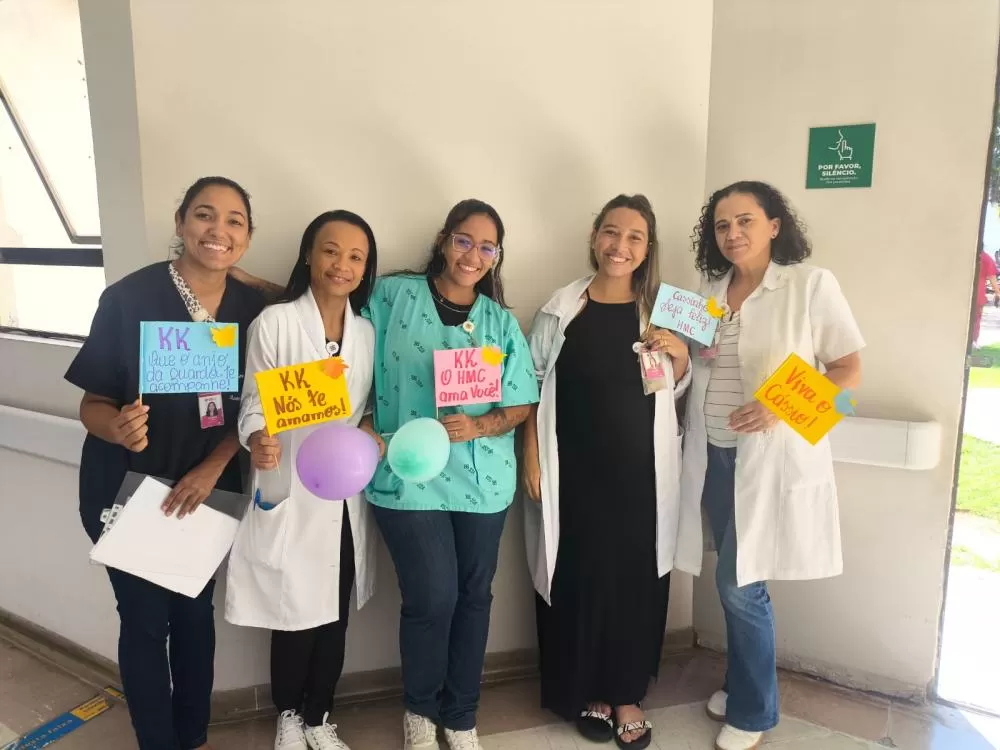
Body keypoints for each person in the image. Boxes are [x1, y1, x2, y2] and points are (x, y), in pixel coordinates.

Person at [65, 176, 265, 750]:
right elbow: (92, 403)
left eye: (234, 221)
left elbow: (253, 409)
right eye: (204, 215)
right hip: (126, 487)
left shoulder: (254, 310)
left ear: (248, 238)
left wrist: (213, 467)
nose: (218, 230)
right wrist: (117, 427)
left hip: (207, 489)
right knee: (145, 622)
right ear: (180, 223)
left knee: (195, 617)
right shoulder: (129, 299)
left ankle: (192, 736)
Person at [676, 181, 863, 750]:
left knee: (738, 584)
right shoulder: (709, 293)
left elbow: (849, 372)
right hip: (713, 455)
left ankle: (755, 712)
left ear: (774, 226)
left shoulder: (808, 285)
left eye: (745, 221)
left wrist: (777, 406)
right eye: (722, 225)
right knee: (739, 577)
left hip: (768, 461)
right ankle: (739, 685)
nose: (732, 233)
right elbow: (695, 365)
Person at [360, 199, 540, 750]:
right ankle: (420, 710)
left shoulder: (499, 322)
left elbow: (522, 403)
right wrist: (364, 421)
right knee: (432, 597)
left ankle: (461, 715)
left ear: (496, 257)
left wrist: (481, 425)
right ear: (444, 240)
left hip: (482, 481)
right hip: (406, 474)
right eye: (464, 240)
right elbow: (343, 349)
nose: (472, 255)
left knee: (473, 597)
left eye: (487, 247)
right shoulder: (391, 297)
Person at [522, 195, 690, 749]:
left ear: (648, 248)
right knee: (579, 576)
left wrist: (681, 356)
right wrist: (531, 456)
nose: (621, 246)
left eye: (635, 237)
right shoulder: (560, 308)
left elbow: (678, 391)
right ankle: (588, 687)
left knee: (635, 581)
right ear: (595, 236)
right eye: (612, 232)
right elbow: (530, 384)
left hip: (642, 478)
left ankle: (626, 693)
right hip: (573, 474)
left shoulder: (665, 309)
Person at [226, 211, 382, 750]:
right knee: (293, 610)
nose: (342, 265)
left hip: (342, 495)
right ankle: (289, 716)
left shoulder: (366, 333)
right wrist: (257, 435)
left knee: (334, 614)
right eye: (331, 251)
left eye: (356, 256)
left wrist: (368, 430)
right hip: (290, 485)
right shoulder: (275, 323)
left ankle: (319, 716)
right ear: (309, 255)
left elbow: (368, 406)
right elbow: (253, 402)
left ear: (366, 268)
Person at [974, 249, 999, 346]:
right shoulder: (986, 258)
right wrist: (998, 293)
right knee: (976, 319)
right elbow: (992, 278)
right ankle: (973, 341)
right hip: (978, 294)